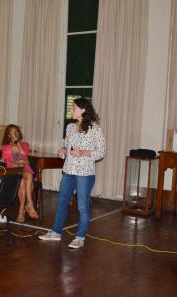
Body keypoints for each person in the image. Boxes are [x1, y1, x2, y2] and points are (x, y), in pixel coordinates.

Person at [39, 98, 106, 249]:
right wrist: (63, 150)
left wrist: (83, 152)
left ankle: (80, 237)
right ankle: (56, 233)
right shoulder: (70, 127)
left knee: (82, 206)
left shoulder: (95, 130)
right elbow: (68, 145)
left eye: (73, 107)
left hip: (85, 173)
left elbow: (101, 152)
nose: (70, 110)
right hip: (69, 171)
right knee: (61, 203)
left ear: (83, 110)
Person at [1, 124, 38, 222]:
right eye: (12, 132)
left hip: (24, 170)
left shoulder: (25, 144)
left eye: (16, 131)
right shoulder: (6, 147)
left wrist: (17, 142)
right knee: (21, 181)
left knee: (28, 175)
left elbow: (23, 154)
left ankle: (23, 209)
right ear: (9, 135)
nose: (15, 133)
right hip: (13, 171)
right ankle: (27, 207)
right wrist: (20, 162)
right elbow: (5, 163)